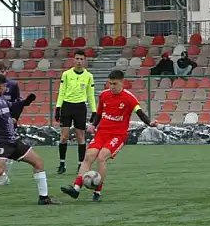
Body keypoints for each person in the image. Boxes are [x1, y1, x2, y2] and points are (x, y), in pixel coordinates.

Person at [0, 73, 60, 208]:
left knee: (38, 162)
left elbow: (12, 106)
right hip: (0, 142)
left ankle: (44, 198)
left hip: (13, 141)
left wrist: (25, 103)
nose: (5, 87)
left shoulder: (1, 99)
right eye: (4, 85)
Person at [60, 70, 157, 202]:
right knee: (88, 156)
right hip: (102, 133)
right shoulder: (104, 95)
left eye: (115, 84)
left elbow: (140, 113)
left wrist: (149, 122)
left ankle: (97, 192)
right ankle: (76, 188)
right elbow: (99, 113)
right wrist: (94, 125)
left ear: (122, 82)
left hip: (117, 135)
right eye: (110, 83)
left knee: (101, 157)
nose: (112, 86)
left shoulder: (129, 98)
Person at [54, 50, 97, 174]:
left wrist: (94, 110)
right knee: (64, 137)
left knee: (80, 137)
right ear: (73, 60)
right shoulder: (66, 74)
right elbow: (62, 91)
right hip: (67, 106)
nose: (79, 61)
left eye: (81, 59)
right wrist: (58, 108)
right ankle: (62, 164)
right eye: (77, 59)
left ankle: (80, 165)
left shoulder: (89, 76)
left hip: (80, 107)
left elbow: (90, 94)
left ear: (84, 60)